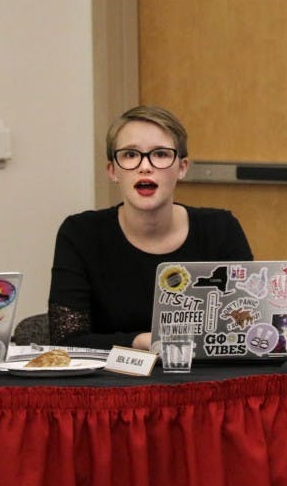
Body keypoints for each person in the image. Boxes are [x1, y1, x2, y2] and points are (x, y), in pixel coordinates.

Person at [48, 105, 253, 350]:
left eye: (161, 154)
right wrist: (147, 342)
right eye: (130, 154)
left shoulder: (222, 229)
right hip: (111, 383)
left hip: (200, 379)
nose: (145, 166)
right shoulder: (80, 233)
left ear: (183, 168)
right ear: (112, 170)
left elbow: (245, 328)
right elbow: (66, 341)